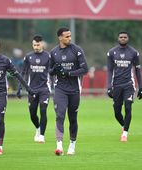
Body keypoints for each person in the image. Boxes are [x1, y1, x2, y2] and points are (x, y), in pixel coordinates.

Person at [50, 27, 88, 155]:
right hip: (60, 89)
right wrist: (54, 70)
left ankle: (72, 145)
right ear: (60, 37)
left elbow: (85, 69)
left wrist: (68, 73)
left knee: (72, 118)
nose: (69, 38)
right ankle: (59, 145)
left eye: (70, 36)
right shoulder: (54, 52)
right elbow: (49, 71)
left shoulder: (77, 50)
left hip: (74, 90)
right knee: (60, 115)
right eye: (66, 36)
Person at [107, 31, 142, 142]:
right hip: (116, 85)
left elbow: (137, 71)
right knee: (117, 112)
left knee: (128, 107)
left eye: (125, 37)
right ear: (118, 38)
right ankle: (124, 126)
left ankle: (125, 134)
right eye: (121, 37)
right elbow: (109, 70)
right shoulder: (111, 52)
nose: (123, 38)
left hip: (129, 85)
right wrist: (109, 86)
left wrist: (141, 87)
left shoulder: (134, 53)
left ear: (128, 38)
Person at [17, 35, 51, 143]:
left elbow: (53, 72)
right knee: (32, 114)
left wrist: (56, 83)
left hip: (45, 89)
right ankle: (38, 128)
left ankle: (42, 135)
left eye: (38, 44)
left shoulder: (48, 57)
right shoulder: (28, 57)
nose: (36, 47)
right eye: (34, 45)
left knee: (43, 110)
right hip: (32, 89)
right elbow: (23, 72)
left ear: (42, 44)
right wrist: (19, 87)